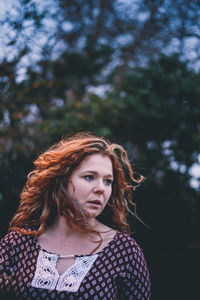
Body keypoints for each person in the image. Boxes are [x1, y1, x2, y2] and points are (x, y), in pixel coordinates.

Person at [0, 132, 151, 300]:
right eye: (89, 177)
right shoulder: (19, 243)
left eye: (108, 181)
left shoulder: (125, 252)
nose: (101, 188)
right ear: (61, 181)